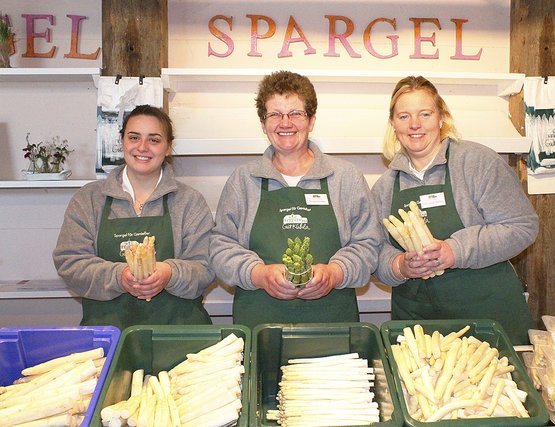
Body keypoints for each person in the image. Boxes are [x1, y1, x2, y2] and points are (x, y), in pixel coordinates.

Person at [210, 70, 382, 329]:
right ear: (263, 123)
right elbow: (220, 246)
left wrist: (335, 273)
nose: (285, 123)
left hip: (332, 327)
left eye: (295, 113)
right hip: (259, 326)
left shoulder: (346, 178)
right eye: (275, 114)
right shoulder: (243, 180)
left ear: (311, 121)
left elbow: (369, 245)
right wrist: (259, 274)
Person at [372, 76, 537, 344]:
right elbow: (375, 252)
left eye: (425, 114)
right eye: (404, 116)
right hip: (421, 326)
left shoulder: (477, 163)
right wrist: (400, 265)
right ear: (393, 124)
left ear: (441, 118)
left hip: (487, 316)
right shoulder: (383, 188)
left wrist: (454, 251)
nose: (415, 124)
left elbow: (522, 226)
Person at [53, 104, 214, 329]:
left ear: (168, 147)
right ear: (122, 142)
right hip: (109, 335)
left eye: (154, 140)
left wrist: (169, 273)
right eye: (134, 137)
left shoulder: (189, 201)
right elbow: (70, 262)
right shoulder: (89, 199)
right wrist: (121, 276)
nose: (142, 147)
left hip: (178, 336)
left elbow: (206, 267)